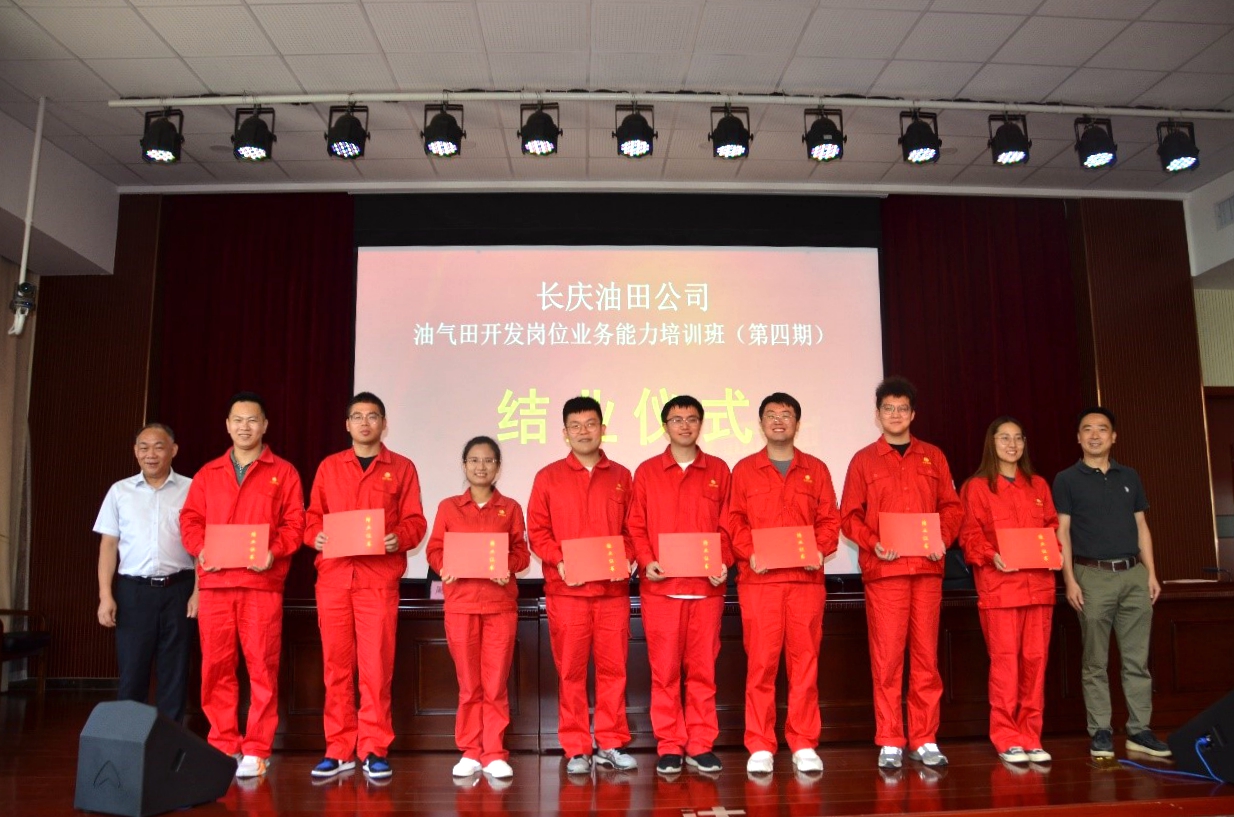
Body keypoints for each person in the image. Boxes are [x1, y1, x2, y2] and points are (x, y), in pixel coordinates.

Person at [180, 392, 305, 779]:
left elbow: (295, 524)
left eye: (252, 420)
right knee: (216, 668)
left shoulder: (284, 472)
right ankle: (223, 743)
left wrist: (274, 551)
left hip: (260, 585)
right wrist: (200, 549)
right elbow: (190, 520)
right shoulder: (208, 473)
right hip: (216, 585)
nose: (245, 427)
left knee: (262, 667)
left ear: (265, 425)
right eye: (238, 420)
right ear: (227, 426)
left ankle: (256, 748)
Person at [840, 376, 963, 770]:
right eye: (888, 409)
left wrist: (942, 538)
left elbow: (952, 507)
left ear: (913, 414)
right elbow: (849, 516)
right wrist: (872, 541)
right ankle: (891, 738)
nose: (895, 415)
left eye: (902, 408)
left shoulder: (934, 457)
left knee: (926, 658)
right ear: (877, 415)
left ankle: (924, 737)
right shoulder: (863, 460)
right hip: (886, 572)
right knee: (888, 658)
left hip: (926, 570)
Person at [304, 392, 426, 781]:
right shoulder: (329, 467)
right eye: (357, 416)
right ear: (347, 425)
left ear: (384, 424)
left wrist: (398, 537)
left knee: (376, 668)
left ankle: (374, 747)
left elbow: (416, 521)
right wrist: (314, 536)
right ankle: (338, 749)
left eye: (372, 416)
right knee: (336, 667)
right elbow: (311, 517)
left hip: (378, 580)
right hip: (335, 579)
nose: (365, 423)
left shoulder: (402, 467)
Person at [728, 392, 840, 775]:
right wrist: (748, 552)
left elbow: (830, 520)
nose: (779, 421)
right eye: (771, 415)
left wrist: (820, 550)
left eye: (786, 414)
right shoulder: (744, 470)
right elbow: (734, 520)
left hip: (805, 582)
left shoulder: (816, 469)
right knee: (761, 664)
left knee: (804, 663)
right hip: (760, 582)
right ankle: (760, 743)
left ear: (797, 423)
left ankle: (803, 742)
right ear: (761, 424)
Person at [528, 395, 637, 775]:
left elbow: (633, 529)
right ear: (565, 433)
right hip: (567, 593)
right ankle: (576, 747)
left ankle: (610, 742)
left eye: (590, 424)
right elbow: (537, 532)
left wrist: (628, 557)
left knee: (614, 671)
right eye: (575, 426)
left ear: (603, 428)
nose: (584, 432)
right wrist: (559, 561)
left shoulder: (622, 476)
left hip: (611, 594)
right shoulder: (547, 477)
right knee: (570, 673)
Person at [1054, 407, 1171, 759]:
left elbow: (1142, 526)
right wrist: (1070, 579)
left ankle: (1139, 730)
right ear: (1078, 437)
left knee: (1137, 660)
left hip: (1134, 574)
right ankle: (1101, 731)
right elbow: (1062, 532)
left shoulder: (1129, 476)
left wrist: (1151, 572)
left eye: (1102, 429)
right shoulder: (1066, 479)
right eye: (1087, 429)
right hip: (1091, 576)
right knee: (1095, 662)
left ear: (1113, 436)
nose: (1095, 435)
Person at [627, 395, 733, 776]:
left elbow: (729, 524)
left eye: (691, 419)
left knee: (703, 672)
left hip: (706, 590)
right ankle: (670, 745)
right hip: (662, 591)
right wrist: (646, 560)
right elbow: (635, 524)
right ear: (665, 426)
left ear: (701, 424)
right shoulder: (647, 472)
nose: (684, 425)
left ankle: (700, 744)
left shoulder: (719, 469)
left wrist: (724, 560)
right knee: (665, 672)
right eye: (676, 419)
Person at [426, 436, 530, 780]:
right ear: (464, 465)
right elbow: (434, 549)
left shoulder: (510, 508)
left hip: (499, 606)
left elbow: (522, 554)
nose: (481, 466)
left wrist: (507, 566)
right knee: (469, 684)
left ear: (497, 467)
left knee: (495, 683)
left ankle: (495, 752)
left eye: (488, 460)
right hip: (461, 605)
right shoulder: (448, 507)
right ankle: (470, 751)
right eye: (474, 460)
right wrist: (444, 565)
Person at [959, 417, 1058, 765]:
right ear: (992, 443)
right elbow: (969, 535)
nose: (1012, 444)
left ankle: (1031, 736)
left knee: (1035, 663)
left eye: (1018, 438)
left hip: (1039, 589)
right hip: (1000, 589)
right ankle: (1006, 737)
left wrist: (1055, 550)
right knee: (1005, 666)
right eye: (1004, 438)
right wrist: (991, 555)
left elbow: (1052, 528)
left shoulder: (1039, 485)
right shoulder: (977, 487)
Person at [94, 423, 196, 722]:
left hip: (179, 589)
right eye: (144, 447)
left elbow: (203, 545)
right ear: (135, 451)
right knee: (132, 671)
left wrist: (198, 591)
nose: (151, 454)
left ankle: (169, 742)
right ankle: (130, 740)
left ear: (173, 450)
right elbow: (108, 545)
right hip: (133, 592)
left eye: (159, 447)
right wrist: (105, 596)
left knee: (175, 672)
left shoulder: (192, 489)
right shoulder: (119, 491)